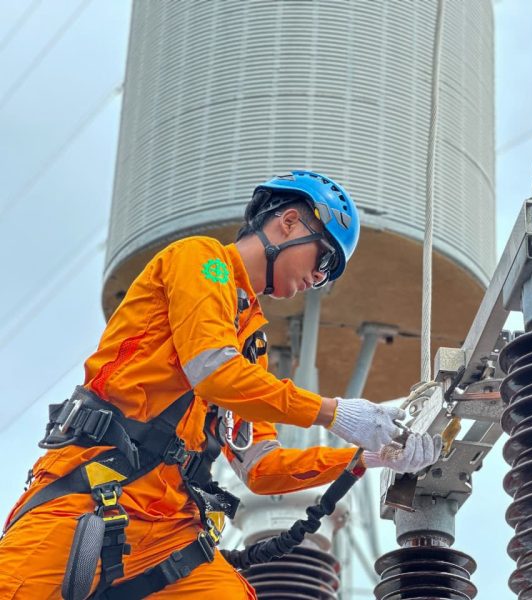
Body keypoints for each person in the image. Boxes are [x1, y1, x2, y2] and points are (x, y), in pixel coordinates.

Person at [0, 170, 442, 599]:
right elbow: (214, 374)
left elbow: (263, 469)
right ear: (289, 222)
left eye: (328, 274)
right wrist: (336, 413)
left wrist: (369, 456)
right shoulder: (201, 260)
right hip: (89, 501)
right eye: (323, 260)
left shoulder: (250, 343)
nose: (317, 279)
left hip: (168, 532)